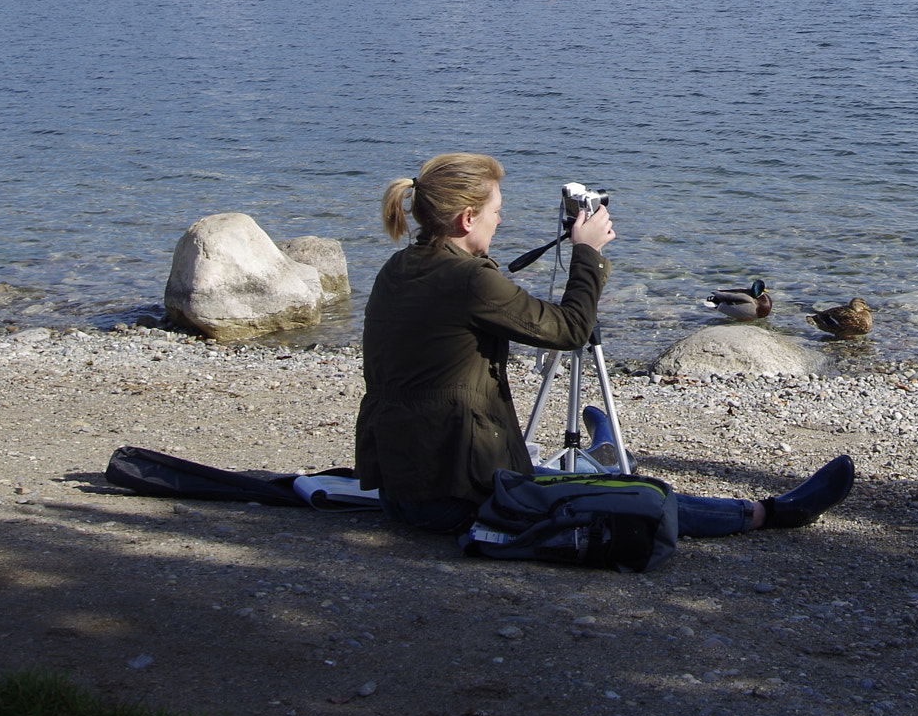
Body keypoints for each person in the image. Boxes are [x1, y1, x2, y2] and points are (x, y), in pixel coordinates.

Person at [356, 152, 853, 537]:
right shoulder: (467, 280)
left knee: (578, 482)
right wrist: (587, 252)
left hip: (400, 485)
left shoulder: (398, 268)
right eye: (495, 211)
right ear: (467, 219)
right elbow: (571, 330)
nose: (500, 222)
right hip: (450, 497)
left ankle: (602, 451)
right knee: (634, 497)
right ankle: (771, 514)